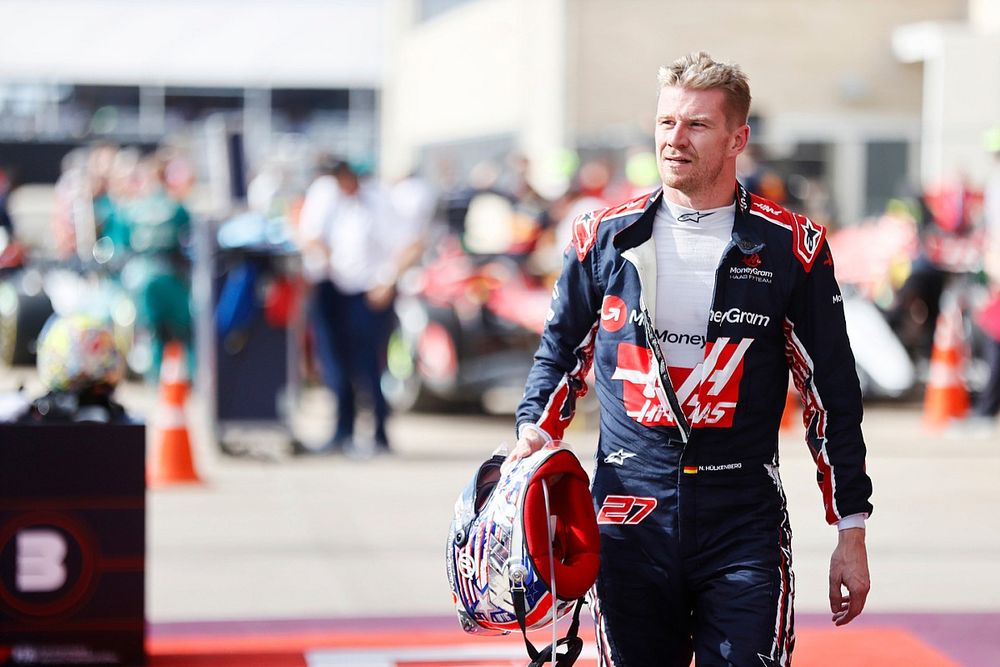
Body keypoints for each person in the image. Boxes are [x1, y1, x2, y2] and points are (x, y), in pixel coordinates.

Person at [507, 52, 873, 666]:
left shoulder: (795, 246)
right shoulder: (602, 236)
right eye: (666, 123)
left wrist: (851, 530)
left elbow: (831, 394)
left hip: (742, 520)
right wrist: (530, 441)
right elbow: (559, 356)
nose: (675, 140)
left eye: (697, 125)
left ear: (739, 138)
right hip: (628, 514)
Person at [298, 157, 397, 454]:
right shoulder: (330, 200)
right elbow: (312, 238)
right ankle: (344, 431)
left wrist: (386, 281)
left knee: (368, 365)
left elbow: (399, 244)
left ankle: (379, 433)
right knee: (338, 366)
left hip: (367, 291)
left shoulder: (377, 202)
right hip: (337, 289)